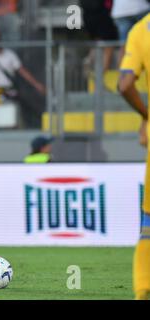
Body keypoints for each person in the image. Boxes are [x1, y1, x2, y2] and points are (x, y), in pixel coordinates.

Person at [118, 12, 150, 300]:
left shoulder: (142, 30)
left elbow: (125, 84)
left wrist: (146, 116)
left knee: (149, 226)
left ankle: (142, 291)